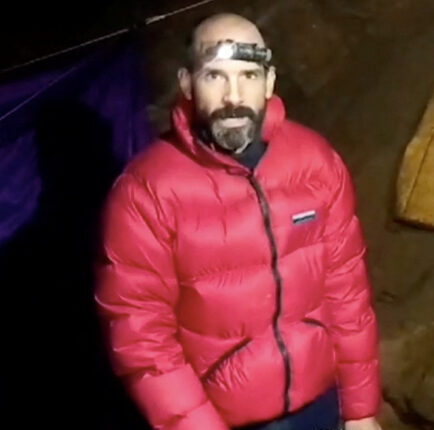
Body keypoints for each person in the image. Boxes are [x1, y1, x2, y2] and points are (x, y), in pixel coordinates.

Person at [95, 13, 381, 430]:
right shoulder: (145, 193)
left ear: (268, 82)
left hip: (322, 406)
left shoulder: (316, 163)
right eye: (215, 76)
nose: (233, 96)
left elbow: (347, 292)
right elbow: (142, 338)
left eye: (248, 75)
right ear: (187, 84)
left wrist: (360, 410)